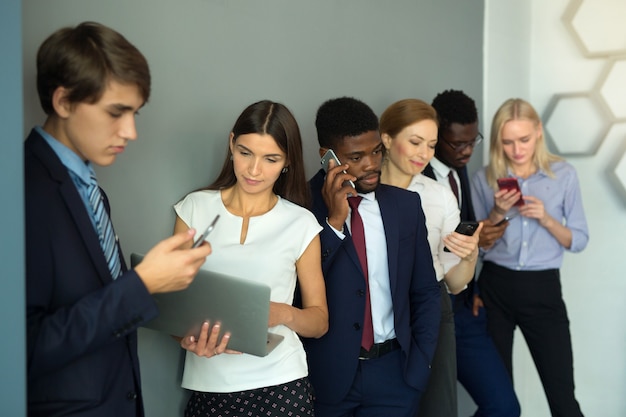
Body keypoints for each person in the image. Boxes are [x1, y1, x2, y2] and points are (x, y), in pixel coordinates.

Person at [25, 22, 213, 417]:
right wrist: (142, 284)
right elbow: (24, 346)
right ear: (63, 102)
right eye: (116, 112)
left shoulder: (91, 193)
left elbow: (94, 309)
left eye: (135, 113)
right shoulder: (24, 191)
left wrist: (174, 306)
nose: (131, 131)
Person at [174, 100, 329, 417]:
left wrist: (281, 313)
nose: (254, 170)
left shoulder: (300, 224)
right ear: (232, 144)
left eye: (271, 159)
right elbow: (174, 303)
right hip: (209, 388)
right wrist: (187, 338)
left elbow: (319, 322)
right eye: (245, 153)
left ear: (287, 161)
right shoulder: (193, 209)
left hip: (282, 386)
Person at [301, 96, 441, 417]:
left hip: (395, 376)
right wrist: (334, 224)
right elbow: (297, 292)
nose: (371, 164)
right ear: (328, 157)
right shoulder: (300, 207)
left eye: (376, 151)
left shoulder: (406, 206)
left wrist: (420, 362)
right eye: (356, 156)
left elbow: (426, 291)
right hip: (327, 381)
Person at [471, 98, 589, 417]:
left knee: (563, 399)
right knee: (500, 404)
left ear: (538, 132)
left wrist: (546, 218)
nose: (516, 149)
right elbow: (479, 248)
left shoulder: (563, 175)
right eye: (507, 142)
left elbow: (579, 240)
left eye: (523, 139)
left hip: (543, 290)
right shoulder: (483, 179)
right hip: (495, 288)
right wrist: (497, 212)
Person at [379, 98, 482, 417]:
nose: (424, 154)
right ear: (386, 138)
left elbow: (454, 283)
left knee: (437, 408)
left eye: (431, 145)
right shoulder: (360, 194)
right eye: (415, 142)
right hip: (380, 309)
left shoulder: (439, 195)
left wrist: (469, 257)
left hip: (434, 307)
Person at [426, 89, 520, 416]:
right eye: (457, 144)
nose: (467, 151)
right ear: (436, 137)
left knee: (504, 406)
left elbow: (464, 233)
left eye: (472, 141)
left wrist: (472, 287)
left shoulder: (459, 168)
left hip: (465, 305)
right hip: (433, 308)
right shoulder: (416, 178)